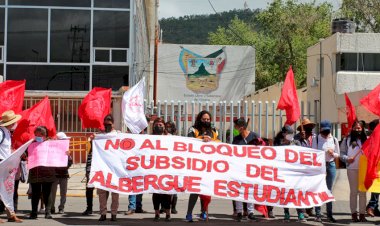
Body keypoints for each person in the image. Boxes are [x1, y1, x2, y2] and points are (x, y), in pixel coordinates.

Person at [186, 110, 219, 222]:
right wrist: (202, 139)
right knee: (195, 190)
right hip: (196, 164)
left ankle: (203, 212)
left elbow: (218, 143)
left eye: (208, 119)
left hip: (209, 165)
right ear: (199, 119)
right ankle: (189, 213)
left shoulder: (214, 131)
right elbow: (189, 142)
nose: (206, 121)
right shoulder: (193, 130)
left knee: (205, 190)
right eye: (204, 119)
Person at [274, 125, 306, 222]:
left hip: (295, 172)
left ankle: (300, 213)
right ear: (284, 134)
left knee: (297, 192)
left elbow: (302, 154)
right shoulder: (278, 145)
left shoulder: (296, 143)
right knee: (285, 193)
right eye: (289, 133)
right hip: (283, 172)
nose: (290, 135)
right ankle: (286, 213)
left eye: (291, 133)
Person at [232, 117, 259, 222]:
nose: (235, 128)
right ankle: (239, 211)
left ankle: (250, 212)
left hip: (252, 168)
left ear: (242, 127)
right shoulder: (236, 139)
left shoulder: (254, 136)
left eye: (236, 127)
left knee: (250, 189)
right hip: (239, 168)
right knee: (238, 189)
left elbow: (261, 149)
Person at [312, 120, 340, 223]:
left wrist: (333, 153)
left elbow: (338, 154)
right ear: (320, 130)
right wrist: (322, 153)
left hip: (331, 164)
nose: (326, 133)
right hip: (320, 166)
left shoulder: (334, 139)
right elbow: (313, 153)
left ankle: (329, 214)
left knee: (329, 190)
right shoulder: (316, 139)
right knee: (318, 189)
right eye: (324, 131)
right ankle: (318, 214)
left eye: (327, 131)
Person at [340, 120, 367, 222]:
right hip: (352, 169)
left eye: (359, 128)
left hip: (364, 169)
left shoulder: (367, 140)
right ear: (352, 128)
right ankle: (353, 213)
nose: (357, 129)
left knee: (363, 193)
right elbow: (341, 154)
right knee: (354, 192)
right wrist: (347, 158)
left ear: (362, 129)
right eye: (356, 127)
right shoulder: (347, 139)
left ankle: (362, 214)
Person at [28, 126, 56, 220]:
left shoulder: (51, 143)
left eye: (39, 135)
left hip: (48, 172)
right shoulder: (31, 144)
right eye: (35, 135)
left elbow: (58, 154)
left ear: (44, 135)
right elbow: (26, 154)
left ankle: (47, 212)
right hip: (35, 172)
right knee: (35, 194)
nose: (36, 137)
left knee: (47, 193)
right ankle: (34, 212)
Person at [0, 110, 23, 223]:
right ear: (10, 123)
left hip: (6, 164)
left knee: (8, 189)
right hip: (1, 164)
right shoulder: (1, 133)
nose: (15, 124)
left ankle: (11, 214)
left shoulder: (7, 133)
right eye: (14, 122)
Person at [97, 114, 120, 222]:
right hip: (102, 168)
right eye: (106, 123)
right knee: (102, 193)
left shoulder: (118, 135)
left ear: (113, 124)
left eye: (109, 123)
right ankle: (103, 213)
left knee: (115, 193)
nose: (107, 125)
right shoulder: (99, 136)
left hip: (115, 170)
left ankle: (114, 214)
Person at [294, 118, 317, 218]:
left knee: (311, 189)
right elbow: (294, 149)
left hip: (313, 167)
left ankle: (310, 209)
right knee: (301, 189)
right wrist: (300, 138)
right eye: (307, 127)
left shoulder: (315, 137)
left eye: (310, 127)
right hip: (301, 168)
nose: (309, 129)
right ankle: (301, 210)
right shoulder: (296, 138)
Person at [151, 118, 172, 222]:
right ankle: (157, 213)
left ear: (164, 126)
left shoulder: (170, 138)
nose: (159, 126)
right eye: (157, 124)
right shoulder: (149, 138)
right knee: (156, 193)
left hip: (166, 168)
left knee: (167, 193)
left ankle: (168, 213)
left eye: (161, 124)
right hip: (154, 168)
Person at [50, 132, 73, 214]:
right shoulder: (52, 150)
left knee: (63, 192)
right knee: (53, 192)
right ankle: (51, 207)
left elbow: (70, 163)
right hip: (55, 174)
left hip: (64, 174)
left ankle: (61, 207)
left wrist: (69, 156)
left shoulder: (67, 151)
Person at [366, 119, 380, 217]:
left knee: (377, 187)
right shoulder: (373, 138)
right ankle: (372, 206)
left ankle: (374, 207)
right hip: (376, 165)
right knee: (376, 186)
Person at [82, 135, 94, 216]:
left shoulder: (102, 152)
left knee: (103, 191)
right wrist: (87, 172)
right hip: (91, 173)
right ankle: (89, 208)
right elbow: (88, 162)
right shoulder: (91, 152)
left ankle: (103, 208)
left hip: (101, 173)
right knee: (89, 190)